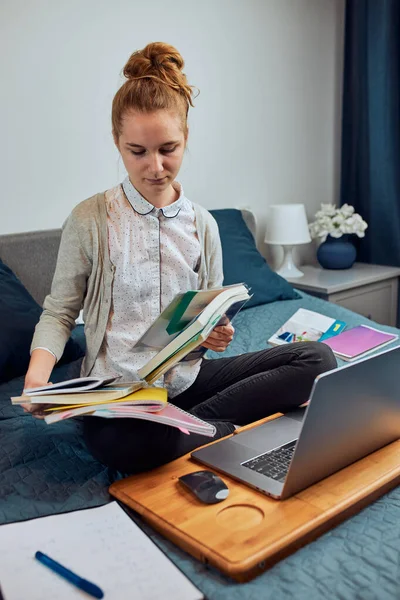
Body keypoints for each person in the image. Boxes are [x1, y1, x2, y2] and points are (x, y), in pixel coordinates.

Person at [24, 42, 336, 474]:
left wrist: (216, 334)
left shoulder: (203, 225)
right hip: (121, 396)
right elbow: (60, 312)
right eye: (138, 151)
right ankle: (220, 430)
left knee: (317, 360)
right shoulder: (89, 219)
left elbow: (213, 315)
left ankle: (193, 428)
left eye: (168, 148)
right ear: (117, 143)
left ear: (186, 139)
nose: (155, 166)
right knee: (120, 443)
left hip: (186, 382)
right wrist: (38, 378)